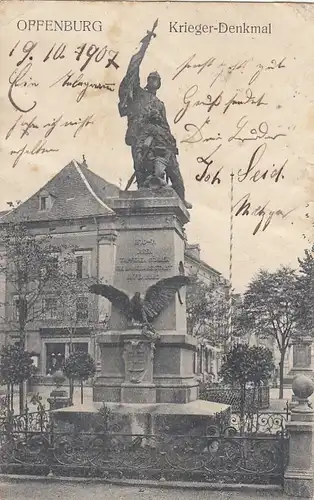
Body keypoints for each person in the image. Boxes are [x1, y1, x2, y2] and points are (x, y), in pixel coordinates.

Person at [118, 22, 192, 209]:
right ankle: (147, 190)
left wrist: (172, 142)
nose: (153, 82)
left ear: (159, 84)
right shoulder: (138, 95)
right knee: (142, 168)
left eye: (156, 80)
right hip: (142, 136)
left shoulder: (160, 104)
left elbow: (166, 125)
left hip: (161, 137)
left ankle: (180, 197)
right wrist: (144, 46)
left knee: (174, 169)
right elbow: (132, 71)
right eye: (151, 79)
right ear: (147, 81)